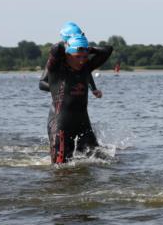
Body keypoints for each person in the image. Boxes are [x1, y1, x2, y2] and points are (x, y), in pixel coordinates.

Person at [45, 34, 113, 164]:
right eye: (78, 56)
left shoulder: (85, 68)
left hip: (83, 124)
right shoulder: (56, 69)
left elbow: (107, 50)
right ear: (67, 54)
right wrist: (71, 41)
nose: (82, 60)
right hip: (61, 126)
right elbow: (55, 48)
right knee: (61, 169)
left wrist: (86, 48)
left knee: (100, 163)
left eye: (85, 56)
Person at [40, 22, 101, 97]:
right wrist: (64, 89)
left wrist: (94, 89)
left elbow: (86, 72)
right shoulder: (57, 55)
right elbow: (42, 84)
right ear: (67, 41)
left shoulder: (81, 56)